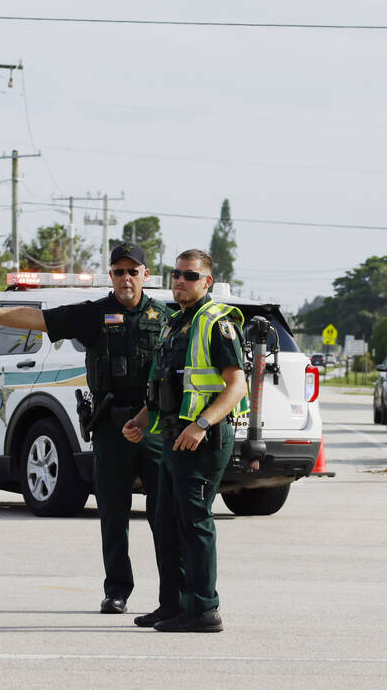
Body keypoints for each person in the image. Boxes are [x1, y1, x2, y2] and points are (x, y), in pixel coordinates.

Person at [0, 243, 172, 617]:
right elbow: (36, 319)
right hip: (110, 425)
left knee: (164, 515)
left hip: (152, 426)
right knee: (113, 515)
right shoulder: (94, 314)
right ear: (111, 276)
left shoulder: (166, 317)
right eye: (119, 271)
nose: (126, 278)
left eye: (133, 271)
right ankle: (117, 590)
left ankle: (172, 596)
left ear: (146, 275)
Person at [122, 249, 248, 633]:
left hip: (202, 439)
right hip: (173, 435)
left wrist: (203, 424)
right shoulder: (175, 323)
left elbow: (235, 385)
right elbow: (168, 385)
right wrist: (141, 420)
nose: (180, 281)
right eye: (175, 274)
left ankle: (204, 609)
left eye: (190, 276)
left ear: (206, 282)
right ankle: (173, 604)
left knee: (194, 521)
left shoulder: (216, 321)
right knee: (166, 521)